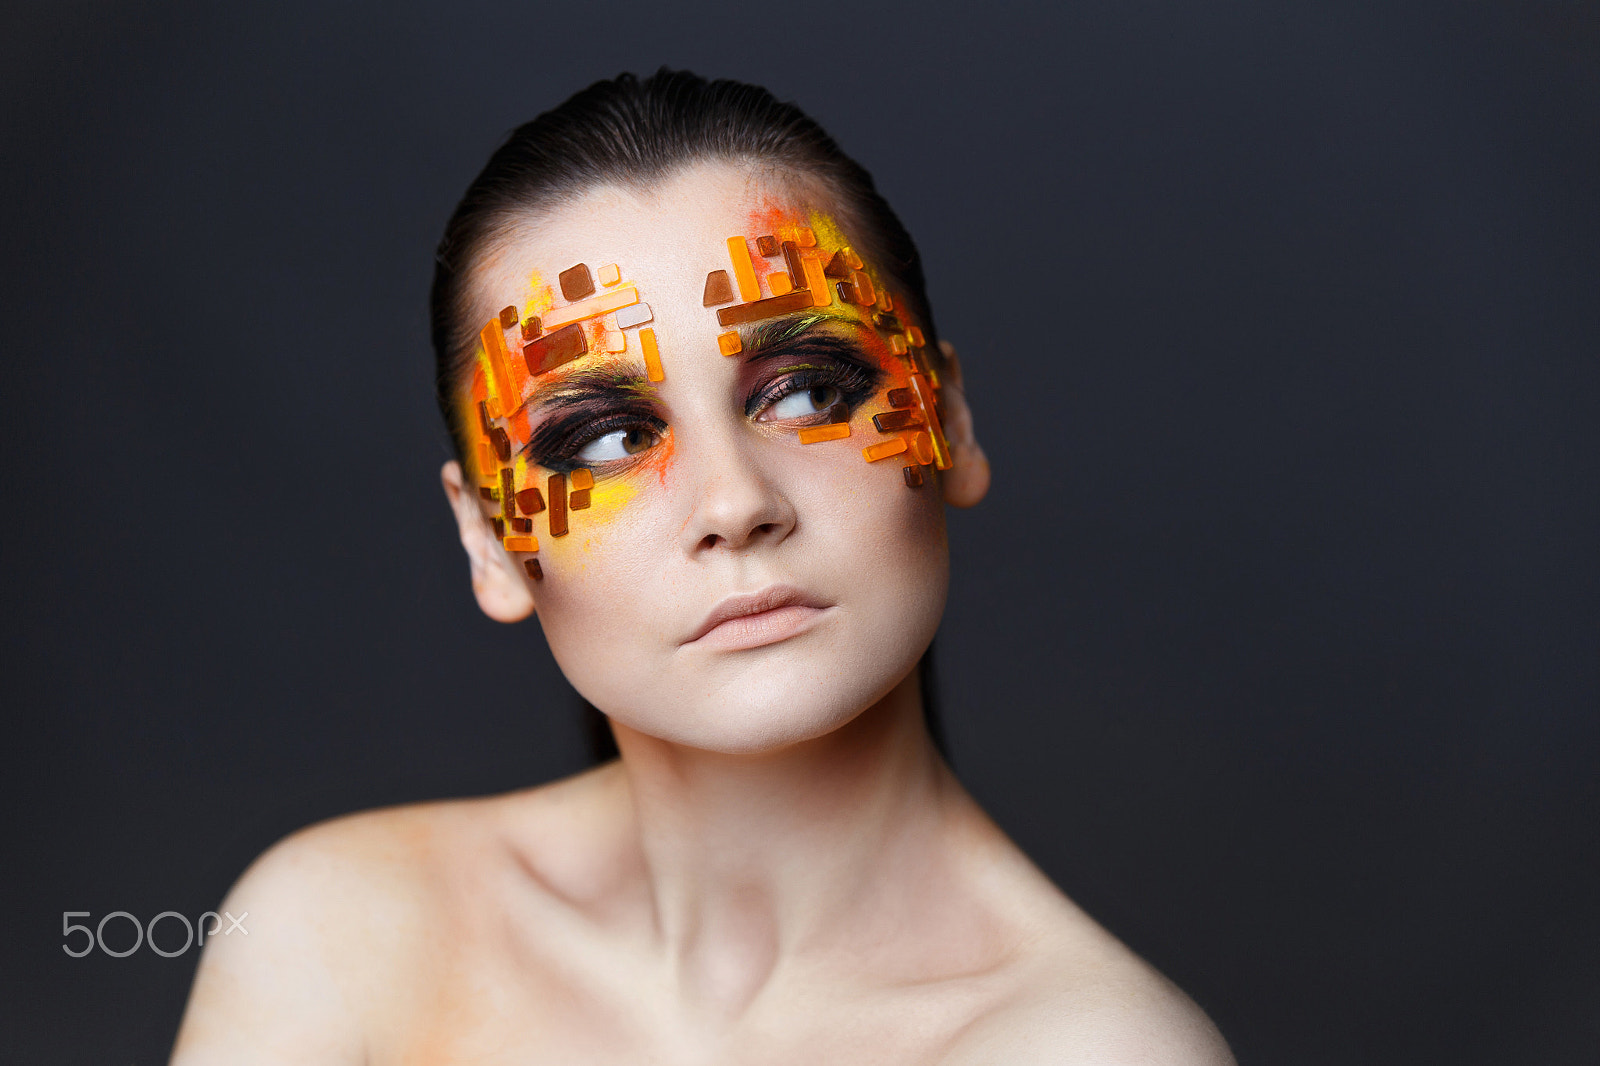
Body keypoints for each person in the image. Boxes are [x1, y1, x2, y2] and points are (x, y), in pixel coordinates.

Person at [170, 70, 1233, 1064]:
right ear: (490, 539)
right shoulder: (338, 934)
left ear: (945, 418)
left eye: (810, 389)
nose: (734, 502)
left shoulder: (1090, 1048)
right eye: (599, 440)